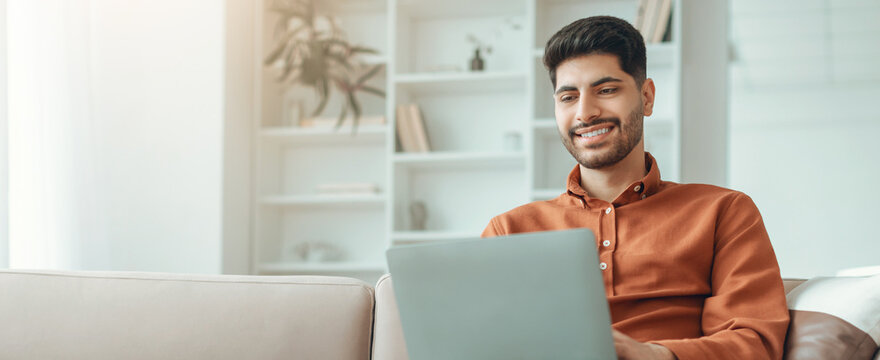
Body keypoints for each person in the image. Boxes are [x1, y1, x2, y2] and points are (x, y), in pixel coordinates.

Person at [481, 16, 790, 360]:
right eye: (568, 97)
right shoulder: (509, 231)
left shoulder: (723, 212)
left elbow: (756, 341)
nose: (585, 113)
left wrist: (653, 355)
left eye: (606, 90)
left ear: (646, 97)